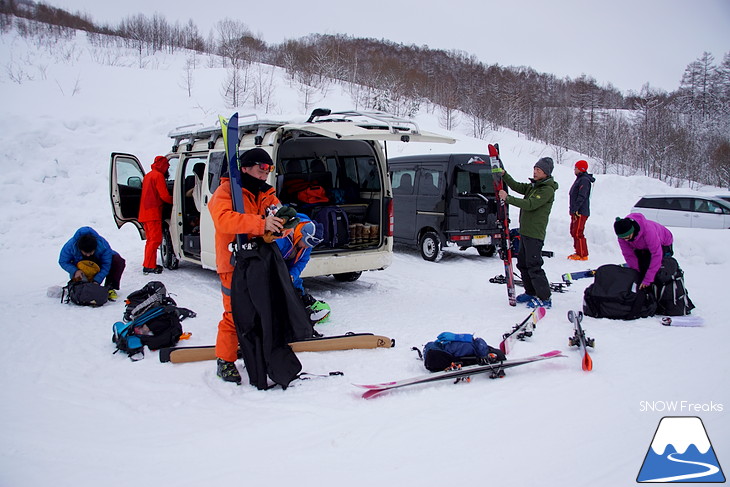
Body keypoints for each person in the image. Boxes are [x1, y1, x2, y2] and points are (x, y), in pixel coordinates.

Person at [208, 148, 314, 386]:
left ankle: (255, 353)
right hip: (232, 265)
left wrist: (281, 227)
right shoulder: (226, 192)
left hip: (259, 263)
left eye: (269, 170)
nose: (265, 174)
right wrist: (260, 223)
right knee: (234, 314)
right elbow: (223, 221)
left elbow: (282, 223)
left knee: (263, 312)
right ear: (245, 168)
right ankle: (224, 360)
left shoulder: (266, 194)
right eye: (261, 169)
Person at [497, 157, 558, 308]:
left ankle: (545, 298)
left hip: (535, 234)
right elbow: (517, 186)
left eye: (539, 170)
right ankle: (530, 292)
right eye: (535, 169)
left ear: (546, 173)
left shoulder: (546, 190)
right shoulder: (534, 186)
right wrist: (505, 175)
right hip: (525, 232)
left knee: (534, 265)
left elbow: (530, 204)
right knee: (523, 263)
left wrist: (508, 198)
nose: (535, 172)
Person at [275, 215, 330, 324]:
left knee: (295, 284)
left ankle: (303, 301)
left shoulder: (306, 247)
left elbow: (301, 262)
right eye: (307, 243)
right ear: (301, 235)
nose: (307, 247)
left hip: (286, 268)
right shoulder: (282, 238)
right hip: (274, 266)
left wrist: (292, 275)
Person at [59, 226, 126, 300]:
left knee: (118, 260)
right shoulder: (70, 246)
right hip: (80, 267)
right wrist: (75, 271)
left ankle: (109, 288)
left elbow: (106, 265)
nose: (88, 255)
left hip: (97, 263)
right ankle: (80, 287)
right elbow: (63, 261)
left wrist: (97, 280)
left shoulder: (103, 245)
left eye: (90, 252)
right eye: (85, 253)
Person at [613, 213, 674, 289]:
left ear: (632, 230)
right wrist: (636, 275)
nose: (626, 240)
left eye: (628, 237)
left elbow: (656, 254)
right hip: (641, 245)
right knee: (642, 267)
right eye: (623, 238)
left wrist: (647, 280)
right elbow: (629, 255)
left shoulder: (648, 231)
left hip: (663, 242)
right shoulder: (622, 237)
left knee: (655, 271)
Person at [139, 155, 173, 274]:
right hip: (153, 213)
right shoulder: (158, 176)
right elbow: (164, 195)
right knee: (155, 240)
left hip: (145, 213)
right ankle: (149, 266)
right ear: (163, 166)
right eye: (167, 166)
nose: (167, 169)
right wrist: (175, 201)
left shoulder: (148, 175)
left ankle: (148, 264)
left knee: (150, 240)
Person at [568, 159, 595, 261]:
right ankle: (578, 251)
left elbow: (582, 196)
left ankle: (582, 254)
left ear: (580, 169)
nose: (574, 170)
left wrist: (576, 209)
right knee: (573, 231)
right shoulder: (580, 179)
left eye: (576, 168)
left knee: (578, 232)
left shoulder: (584, 180)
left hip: (580, 211)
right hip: (576, 211)